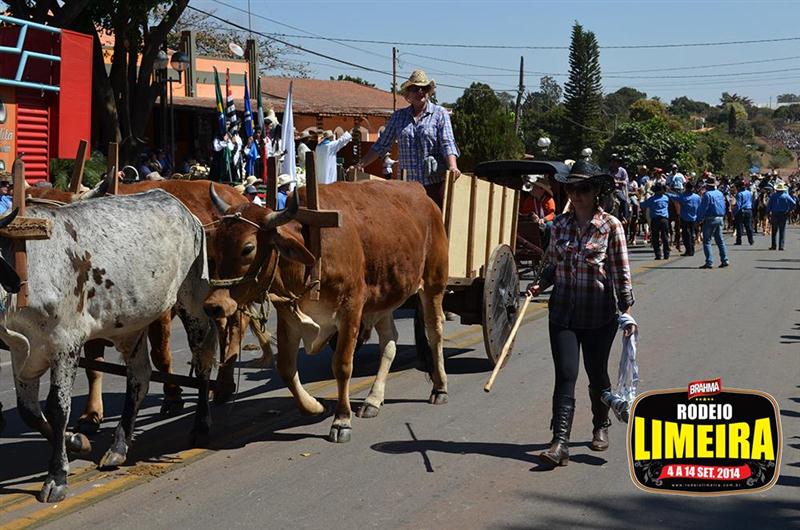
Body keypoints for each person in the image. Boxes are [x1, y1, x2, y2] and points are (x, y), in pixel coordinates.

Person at [526, 160, 636, 468]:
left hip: (599, 315)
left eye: (583, 189)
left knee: (596, 373)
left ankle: (600, 424)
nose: (577, 195)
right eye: (572, 188)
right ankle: (560, 442)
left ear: (596, 191)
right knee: (565, 374)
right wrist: (540, 284)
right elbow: (552, 264)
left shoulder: (611, 226)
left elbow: (620, 272)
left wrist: (627, 311)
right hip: (563, 313)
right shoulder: (559, 225)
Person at [353, 70, 461, 208]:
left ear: (428, 91)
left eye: (424, 88)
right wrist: (360, 165)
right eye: (415, 88)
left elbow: (447, 143)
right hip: (406, 187)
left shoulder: (440, 114)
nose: (420, 91)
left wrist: (452, 166)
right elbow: (381, 145)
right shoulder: (399, 116)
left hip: (433, 185)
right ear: (408, 93)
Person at [696, 176, 730, 269]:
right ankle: (725, 260)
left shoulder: (707, 195)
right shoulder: (720, 193)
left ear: (707, 185)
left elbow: (703, 208)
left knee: (707, 241)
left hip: (710, 218)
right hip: (720, 218)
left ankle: (709, 262)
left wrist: (699, 219)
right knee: (720, 241)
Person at [667, 181, 701, 256]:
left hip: (685, 219)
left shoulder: (682, 196)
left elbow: (673, 197)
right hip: (694, 218)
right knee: (692, 234)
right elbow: (700, 207)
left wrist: (666, 192)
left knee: (686, 235)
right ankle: (691, 250)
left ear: (686, 188)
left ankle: (688, 251)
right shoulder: (697, 197)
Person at [640, 183, 671, 260]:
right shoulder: (666, 198)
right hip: (664, 219)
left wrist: (641, 198)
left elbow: (642, 205)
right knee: (665, 237)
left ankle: (658, 255)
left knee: (655, 238)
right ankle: (666, 254)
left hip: (655, 219)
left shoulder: (651, 199)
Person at [768, 180, 796, 250]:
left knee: (774, 230)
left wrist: (768, 213)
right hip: (783, 214)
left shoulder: (773, 196)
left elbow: (769, 205)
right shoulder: (786, 196)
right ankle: (781, 246)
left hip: (774, 214)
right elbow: (793, 203)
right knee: (782, 230)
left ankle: (773, 246)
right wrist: (789, 210)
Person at [609, 154, 630, 222]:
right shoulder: (608, 170)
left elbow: (626, 181)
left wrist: (617, 182)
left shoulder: (622, 171)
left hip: (617, 190)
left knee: (624, 200)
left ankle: (624, 217)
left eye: (617, 161)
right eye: (613, 161)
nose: (615, 163)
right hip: (608, 189)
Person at [733, 180, 754, 246]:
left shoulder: (739, 194)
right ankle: (751, 240)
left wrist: (734, 213)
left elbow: (738, 205)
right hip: (749, 210)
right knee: (749, 226)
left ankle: (739, 241)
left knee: (739, 226)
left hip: (741, 211)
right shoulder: (749, 192)